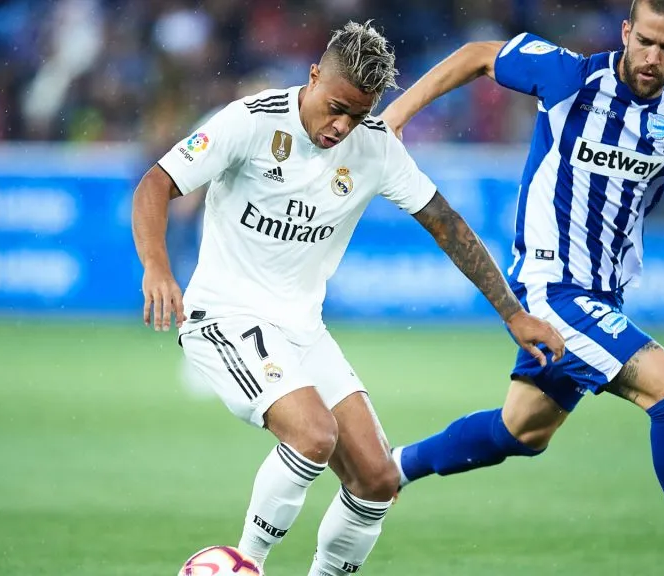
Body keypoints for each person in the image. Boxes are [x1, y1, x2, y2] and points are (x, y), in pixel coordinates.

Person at [130, 21, 565, 576]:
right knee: (313, 436)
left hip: (302, 329)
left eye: (356, 115)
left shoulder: (375, 147)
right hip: (225, 316)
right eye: (335, 107)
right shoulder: (252, 121)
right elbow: (156, 183)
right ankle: (248, 564)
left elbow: (446, 223)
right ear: (313, 76)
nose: (341, 126)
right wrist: (157, 268)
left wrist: (514, 313)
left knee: (378, 479)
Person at [381, 1, 664, 575]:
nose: (653, 58)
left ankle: (391, 468)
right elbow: (480, 56)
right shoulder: (570, 75)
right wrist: (398, 114)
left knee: (520, 431)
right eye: (646, 41)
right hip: (551, 289)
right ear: (627, 32)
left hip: (603, 297)